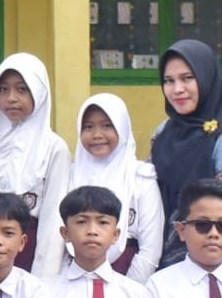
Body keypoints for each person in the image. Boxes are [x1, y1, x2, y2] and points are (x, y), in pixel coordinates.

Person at [149, 39, 222, 269]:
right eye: (169, 81)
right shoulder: (162, 132)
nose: (177, 89)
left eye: (187, 78)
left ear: (206, 78)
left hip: (210, 260)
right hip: (160, 259)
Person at [51, 93, 163, 283]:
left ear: (122, 127)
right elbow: (59, 239)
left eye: (107, 126)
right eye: (88, 127)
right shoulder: (69, 174)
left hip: (126, 273)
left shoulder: (140, 177)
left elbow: (150, 249)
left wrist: (127, 290)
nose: (97, 135)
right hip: (74, 275)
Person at [0, 54, 71, 275]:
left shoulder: (54, 148)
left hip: (30, 250)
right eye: (3, 89)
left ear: (38, 92)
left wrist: (44, 278)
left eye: (22, 89)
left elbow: (53, 218)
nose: (11, 98)